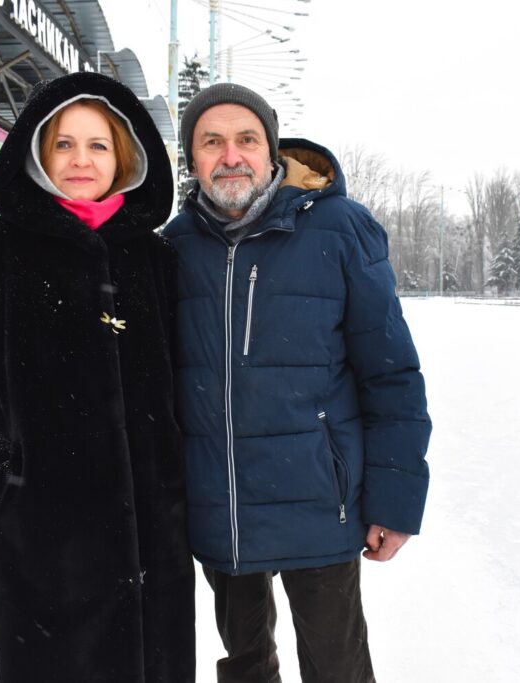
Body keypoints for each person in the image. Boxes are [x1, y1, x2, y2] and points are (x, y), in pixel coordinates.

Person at [0, 72, 195, 683]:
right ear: (37, 152)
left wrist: (177, 488)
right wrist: (0, 485)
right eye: (63, 143)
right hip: (41, 552)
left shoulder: (158, 260)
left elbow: (189, 383)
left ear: (124, 156)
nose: (80, 160)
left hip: (156, 548)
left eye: (98, 145)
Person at [164, 83, 432, 683]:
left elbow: (391, 374)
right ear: (193, 158)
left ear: (271, 150)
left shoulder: (339, 228)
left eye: (246, 139)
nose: (230, 156)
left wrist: (395, 500)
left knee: (337, 669)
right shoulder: (175, 245)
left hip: (319, 501)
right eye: (211, 142)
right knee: (246, 666)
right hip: (221, 506)